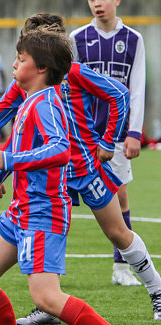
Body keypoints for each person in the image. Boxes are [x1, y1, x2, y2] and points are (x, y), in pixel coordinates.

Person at [0, 27, 150, 325]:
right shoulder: (28, 103)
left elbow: (59, 150)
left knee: (47, 298)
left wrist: (7, 157)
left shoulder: (46, 104)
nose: (14, 64)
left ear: (41, 67)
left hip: (43, 214)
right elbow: (9, 163)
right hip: (19, 212)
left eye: (20, 58)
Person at [70, 0, 146, 287]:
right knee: (61, 199)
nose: (97, 4)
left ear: (117, 0)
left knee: (121, 195)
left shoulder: (133, 39)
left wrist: (134, 132)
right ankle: (49, 269)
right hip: (83, 135)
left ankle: (121, 267)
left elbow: (136, 88)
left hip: (115, 135)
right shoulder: (76, 39)